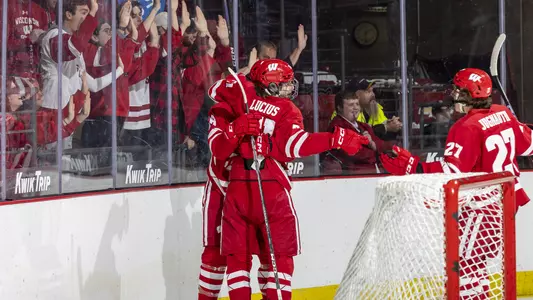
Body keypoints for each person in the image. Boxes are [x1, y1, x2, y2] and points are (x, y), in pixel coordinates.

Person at [206, 58, 369, 299]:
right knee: (278, 259)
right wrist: (334, 138)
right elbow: (294, 145)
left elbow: (215, 91)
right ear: (270, 85)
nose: (290, 87)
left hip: (237, 186)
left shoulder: (240, 100)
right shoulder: (285, 109)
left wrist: (241, 88)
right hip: (271, 187)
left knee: (238, 263)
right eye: (283, 83)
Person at [379, 67, 533, 297]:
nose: (453, 95)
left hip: (483, 207)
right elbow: (529, 145)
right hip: (506, 204)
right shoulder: (503, 113)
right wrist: (516, 124)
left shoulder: (466, 127)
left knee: (465, 271)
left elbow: (452, 173)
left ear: (469, 95)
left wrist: (415, 166)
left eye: (458, 91)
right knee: (475, 268)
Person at [324, 90, 392, 174]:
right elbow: (355, 154)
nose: (356, 108)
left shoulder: (364, 126)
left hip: (372, 173)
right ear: (340, 107)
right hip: (355, 177)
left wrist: (373, 144)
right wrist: (376, 152)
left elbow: (384, 146)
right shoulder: (336, 128)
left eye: (357, 104)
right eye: (351, 105)